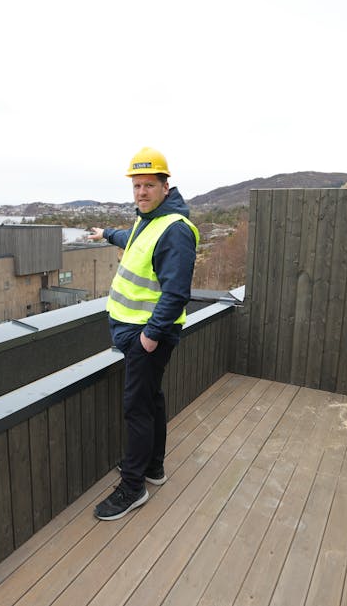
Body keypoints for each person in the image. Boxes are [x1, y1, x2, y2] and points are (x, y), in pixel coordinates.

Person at [86, 147, 199, 520]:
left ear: (166, 186)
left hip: (147, 336)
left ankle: (133, 487)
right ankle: (153, 467)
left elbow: (176, 292)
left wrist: (149, 337)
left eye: (149, 185)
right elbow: (130, 239)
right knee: (151, 399)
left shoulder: (174, 230)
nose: (141, 192)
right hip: (138, 333)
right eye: (136, 186)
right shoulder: (148, 221)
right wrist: (105, 233)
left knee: (136, 408)